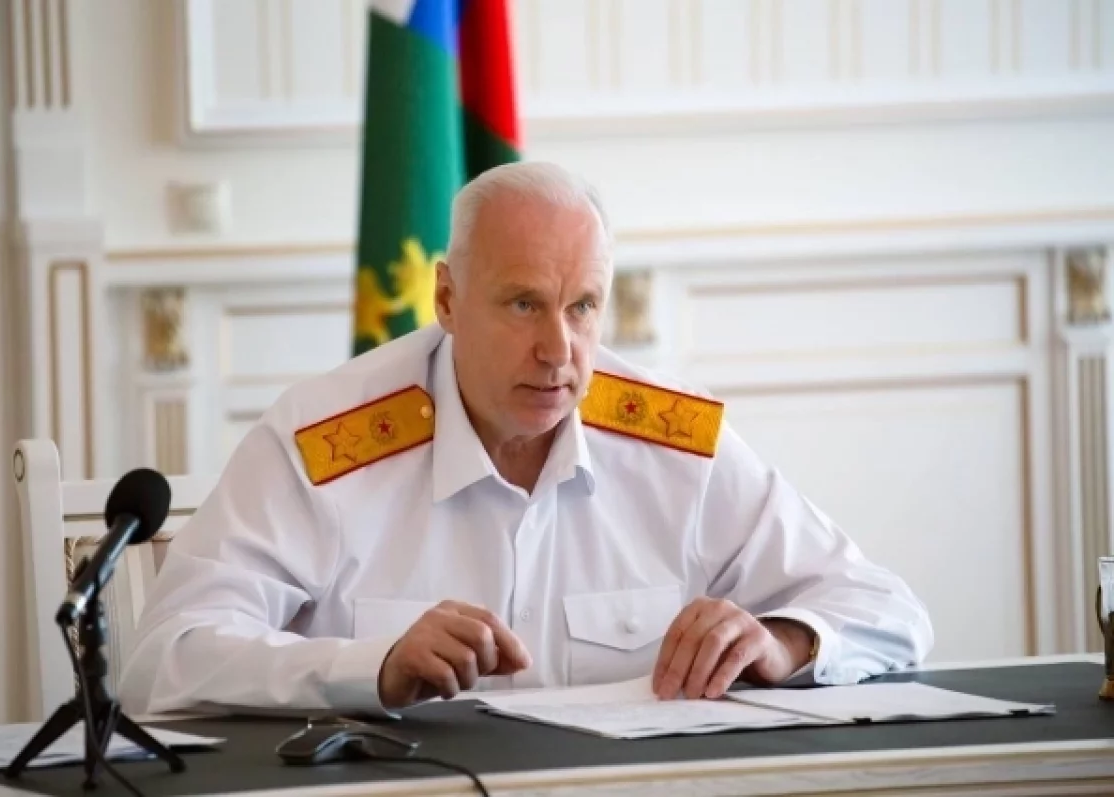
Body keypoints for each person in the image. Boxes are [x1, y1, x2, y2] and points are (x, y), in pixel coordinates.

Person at [118, 162, 933, 717]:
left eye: (582, 307)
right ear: (446, 298)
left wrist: (784, 640)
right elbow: (166, 655)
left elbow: (887, 608)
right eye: (523, 305)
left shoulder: (673, 442)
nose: (557, 349)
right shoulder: (326, 444)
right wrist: (374, 666)